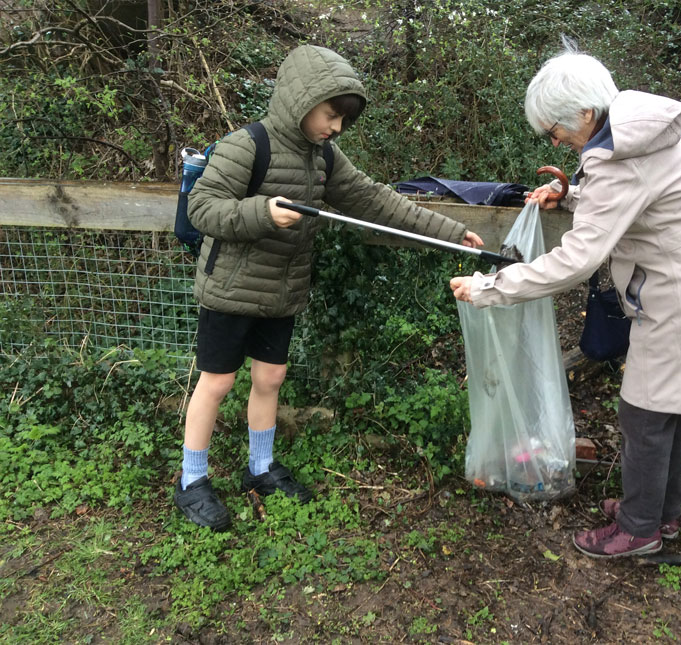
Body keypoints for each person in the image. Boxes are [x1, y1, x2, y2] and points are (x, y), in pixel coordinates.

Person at [450, 39, 681, 559]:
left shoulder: (620, 155)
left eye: (556, 130)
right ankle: (663, 515)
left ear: (586, 112)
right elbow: (631, 201)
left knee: (646, 413)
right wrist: (571, 194)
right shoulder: (636, 129)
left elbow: (577, 259)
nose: (557, 141)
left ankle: (640, 530)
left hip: (680, 293)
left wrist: (490, 288)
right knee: (670, 409)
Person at [174, 44, 484, 530]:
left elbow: (375, 201)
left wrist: (448, 231)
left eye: (342, 120)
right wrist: (262, 213)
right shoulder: (245, 145)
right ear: (302, 100)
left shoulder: (324, 158)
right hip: (231, 289)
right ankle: (192, 479)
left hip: (283, 289)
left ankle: (260, 469)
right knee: (218, 382)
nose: (336, 127)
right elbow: (203, 208)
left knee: (270, 379)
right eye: (330, 115)